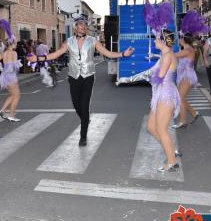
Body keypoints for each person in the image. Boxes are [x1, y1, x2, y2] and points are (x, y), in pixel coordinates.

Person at [28, 15, 134, 146]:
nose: (83, 26)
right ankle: (85, 118)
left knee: (84, 105)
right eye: (80, 24)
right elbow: (55, 54)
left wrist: (123, 54)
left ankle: (83, 136)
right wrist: (38, 59)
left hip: (88, 76)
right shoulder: (69, 41)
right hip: (73, 77)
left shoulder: (93, 40)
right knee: (76, 105)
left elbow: (107, 53)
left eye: (85, 24)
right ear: (75, 27)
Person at [147, 31, 182, 172]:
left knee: (161, 129)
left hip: (166, 95)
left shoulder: (168, 56)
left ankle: (172, 162)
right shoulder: (165, 55)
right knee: (151, 127)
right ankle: (171, 150)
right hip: (160, 94)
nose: (155, 41)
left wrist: (147, 76)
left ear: (162, 40)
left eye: (156, 39)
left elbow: (160, 76)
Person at [0, 19, 22, 122]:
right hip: (11, 76)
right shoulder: (14, 53)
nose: (16, 44)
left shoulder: (4, 53)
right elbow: (15, 67)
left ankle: (2, 110)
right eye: (16, 42)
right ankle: (12, 115)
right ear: (12, 43)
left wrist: (2, 69)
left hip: (4, 76)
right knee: (17, 95)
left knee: (12, 94)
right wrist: (17, 66)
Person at [172, 34, 199, 129]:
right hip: (184, 76)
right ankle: (194, 113)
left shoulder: (187, 50)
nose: (178, 39)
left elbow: (172, 55)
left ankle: (183, 121)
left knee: (180, 98)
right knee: (180, 98)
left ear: (184, 40)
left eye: (180, 38)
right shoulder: (187, 50)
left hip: (188, 76)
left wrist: (162, 50)